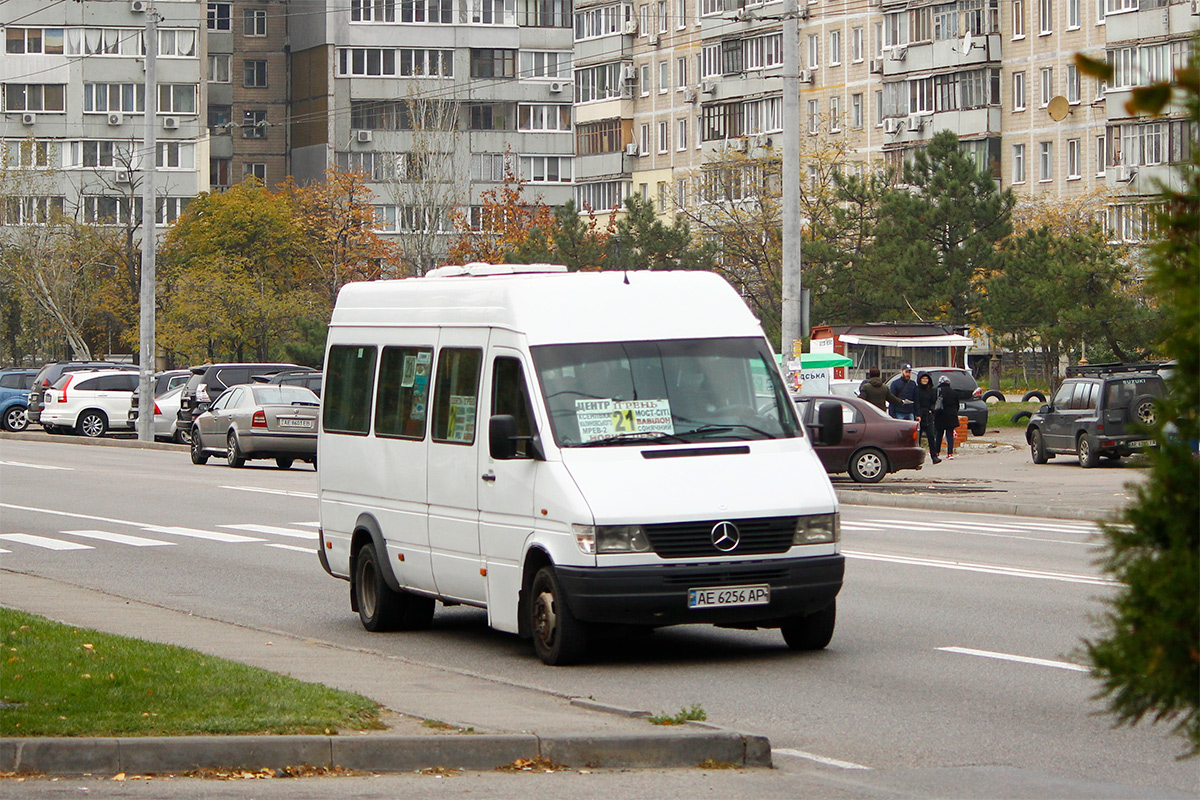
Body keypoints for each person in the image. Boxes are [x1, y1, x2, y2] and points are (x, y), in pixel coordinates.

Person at [932, 374, 961, 461]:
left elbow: (934, 403)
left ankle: (937, 452)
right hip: (951, 416)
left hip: (940, 415)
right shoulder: (954, 392)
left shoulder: (937, 391)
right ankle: (950, 453)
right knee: (949, 435)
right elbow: (957, 405)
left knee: (939, 435)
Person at [914, 371, 940, 463]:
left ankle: (934, 456)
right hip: (919, 416)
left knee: (931, 436)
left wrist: (931, 410)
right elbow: (915, 402)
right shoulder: (916, 390)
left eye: (926, 378)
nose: (925, 380)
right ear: (919, 379)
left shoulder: (931, 390)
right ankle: (916, 458)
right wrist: (917, 414)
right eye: (923, 378)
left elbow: (933, 402)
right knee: (918, 438)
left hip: (928, 416)